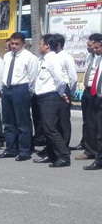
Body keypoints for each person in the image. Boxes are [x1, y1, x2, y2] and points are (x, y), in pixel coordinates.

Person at [0, 32, 39, 160]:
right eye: (12, 43)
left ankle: (24, 150)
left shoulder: (30, 57)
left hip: (21, 89)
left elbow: (32, 77)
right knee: (8, 121)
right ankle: (10, 149)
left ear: (23, 44)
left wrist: (28, 92)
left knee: (22, 122)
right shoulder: (7, 56)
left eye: (17, 44)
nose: (13, 46)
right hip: (7, 89)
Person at [32, 34, 71, 167]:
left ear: (47, 46)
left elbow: (60, 80)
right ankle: (52, 155)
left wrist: (61, 94)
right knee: (46, 128)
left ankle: (64, 156)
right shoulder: (42, 59)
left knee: (50, 128)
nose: (39, 46)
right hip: (42, 97)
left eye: (40, 44)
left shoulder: (52, 59)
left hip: (50, 97)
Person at [83, 35, 102, 171]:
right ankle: (98, 158)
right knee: (95, 126)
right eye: (93, 47)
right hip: (96, 95)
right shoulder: (97, 59)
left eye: (97, 47)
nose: (95, 50)